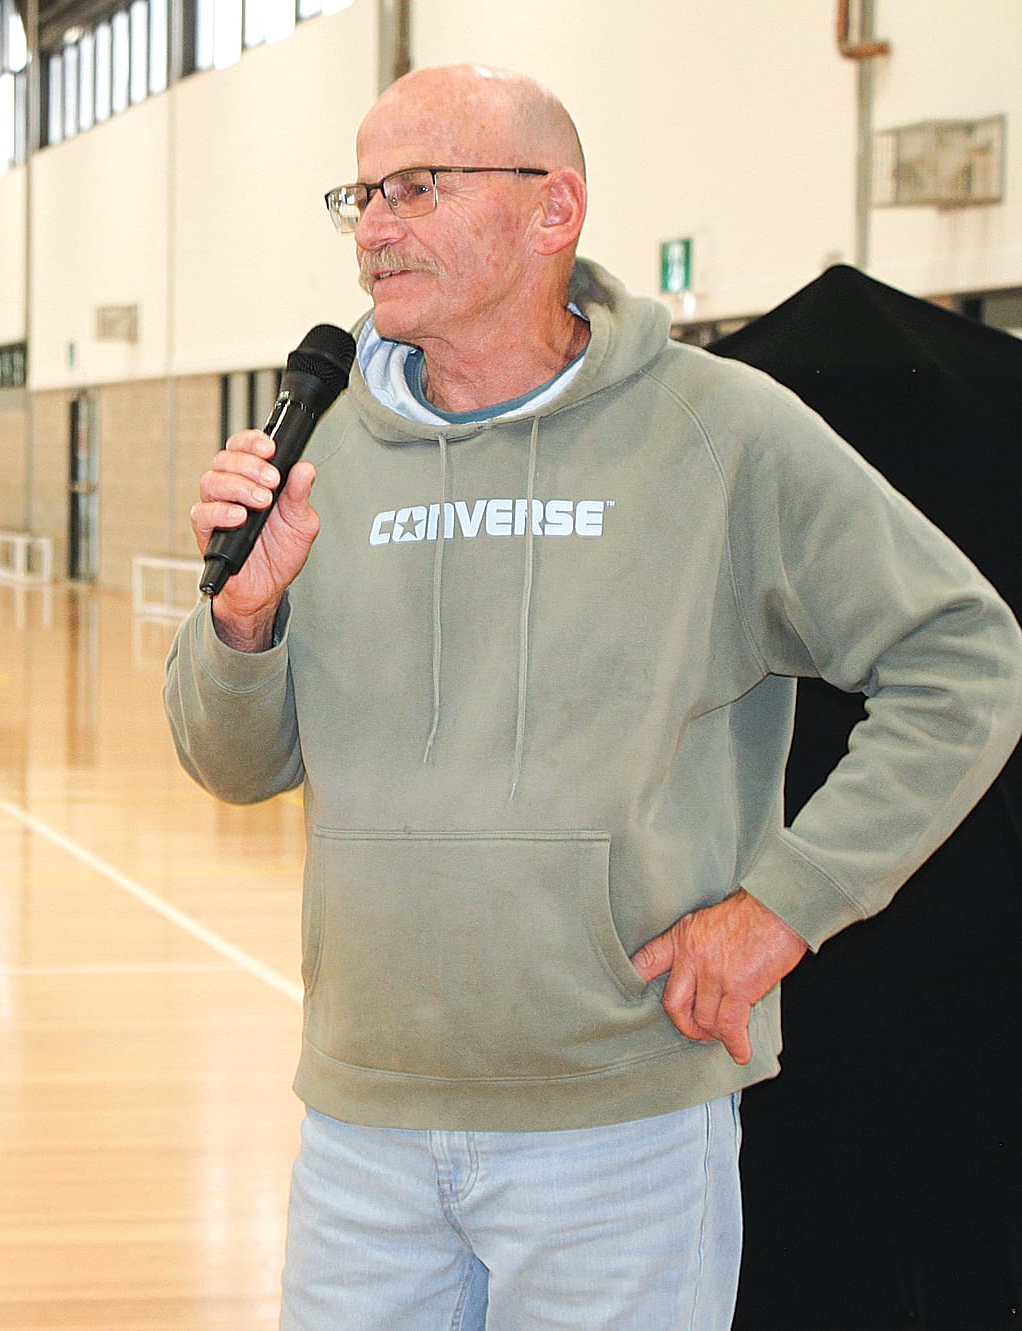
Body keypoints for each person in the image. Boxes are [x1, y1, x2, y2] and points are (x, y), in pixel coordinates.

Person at [162, 63, 1022, 1329]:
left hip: (617, 1127)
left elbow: (963, 654)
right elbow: (228, 763)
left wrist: (783, 907)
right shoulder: (319, 448)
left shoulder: (720, 432)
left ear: (551, 210)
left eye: (416, 187)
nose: (374, 228)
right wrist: (244, 620)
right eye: (359, 194)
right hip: (361, 1117)